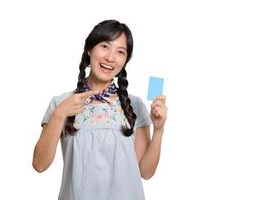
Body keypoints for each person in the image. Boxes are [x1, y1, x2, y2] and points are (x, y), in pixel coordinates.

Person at [32, 19, 167, 200]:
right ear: (89, 49)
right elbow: (39, 165)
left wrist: (159, 129)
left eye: (120, 52)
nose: (110, 57)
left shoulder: (134, 105)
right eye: (105, 46)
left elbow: (146, 172)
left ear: (125, 61)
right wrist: (60, 114)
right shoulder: (61, 103)